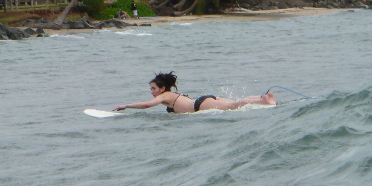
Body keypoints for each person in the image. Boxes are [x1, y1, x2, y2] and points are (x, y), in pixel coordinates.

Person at [113, 72, 277, 113]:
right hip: (204, 101)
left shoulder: (164, 96)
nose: (151, 92)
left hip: (201, 105)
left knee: (235, 105)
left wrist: (125, 105)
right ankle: (263, 98)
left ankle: (265, 100)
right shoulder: (169, 96)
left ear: (162, 88)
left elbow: (148, 105)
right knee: (235, 103)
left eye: (153, 89)